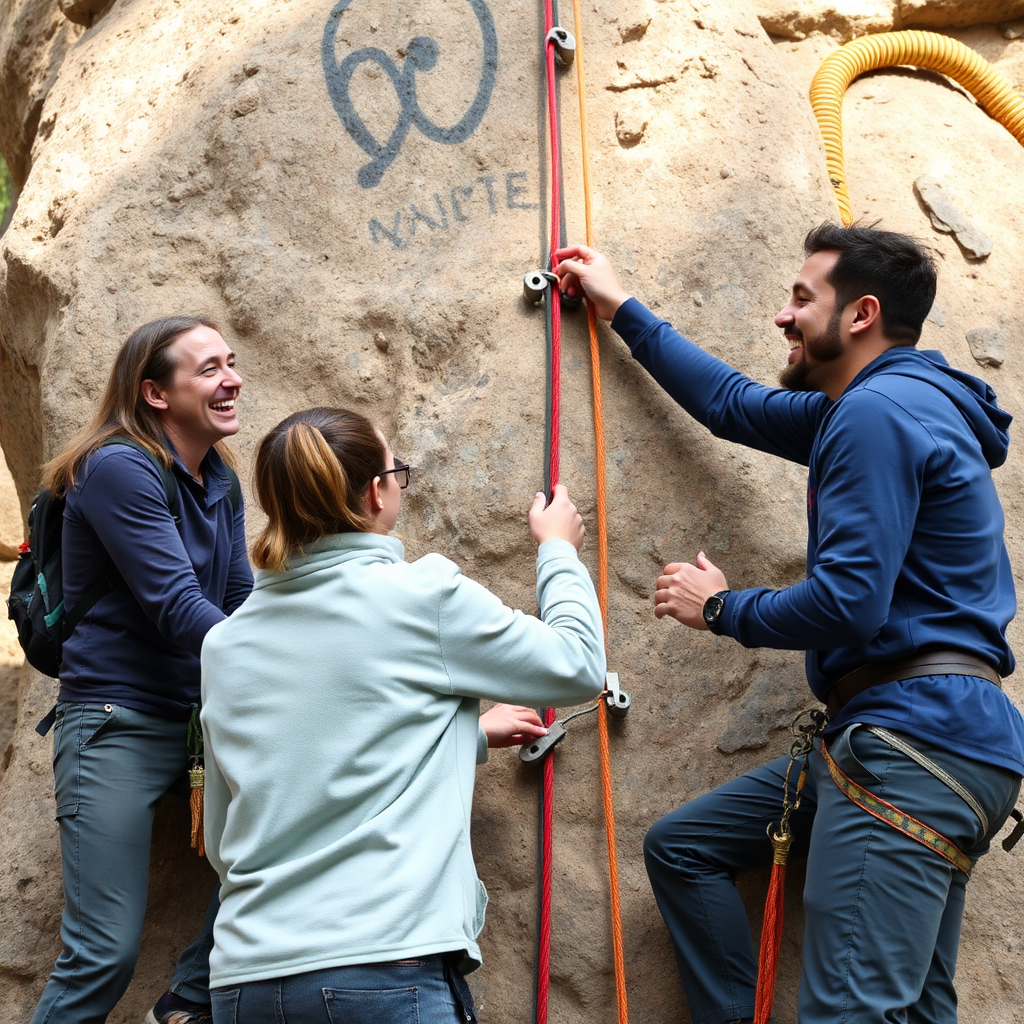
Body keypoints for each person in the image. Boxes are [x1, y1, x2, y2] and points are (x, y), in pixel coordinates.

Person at [553, 226, 1024, 1024]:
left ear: (861, 314)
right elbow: (734, 405)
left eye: (803, 298)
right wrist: (622, 308)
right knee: (687, 848)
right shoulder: (887, 406)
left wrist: (721, 610)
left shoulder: (874, 415)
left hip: (908, 743)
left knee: (853, 1013)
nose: (783, 315)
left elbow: (849, 602)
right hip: (938, 742)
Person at [198, 406, 606, 1023]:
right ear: (375, 491)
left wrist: (459, 733)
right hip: (382, 968)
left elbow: (224, 836)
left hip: (244, 983)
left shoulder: (225, 644)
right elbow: (577, 666)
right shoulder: (423, 597)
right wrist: (556, 553)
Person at [32, 315, 252, 1024]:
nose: (233, 378)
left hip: (198, 722)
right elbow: (178, 607)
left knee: (279, 866)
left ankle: (186, 999)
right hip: (115, 722)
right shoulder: (119, 466)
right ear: (157, 394)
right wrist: (285, 673)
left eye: (232, 361)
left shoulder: (218, 475)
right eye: (210, 368)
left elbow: (240, 598)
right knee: (103, 953)